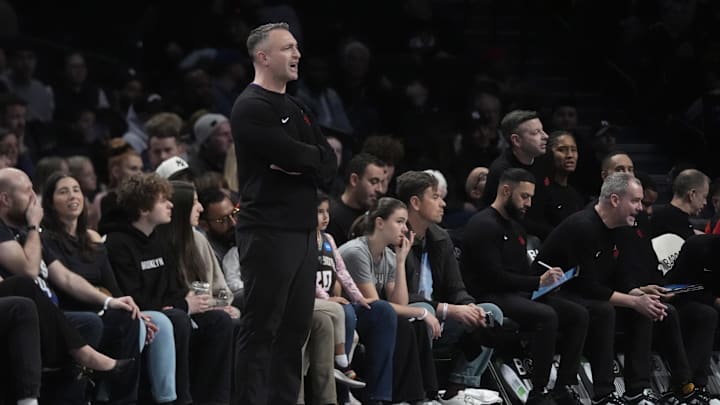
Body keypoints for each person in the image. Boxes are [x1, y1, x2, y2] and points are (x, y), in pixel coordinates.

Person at [230, 22, 337, 404]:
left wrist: (303, 160)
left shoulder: (298, 106)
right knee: (262, 329)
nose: (297, 55)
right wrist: (304, 158)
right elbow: (294, 155)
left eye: (296, 47)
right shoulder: (250, 106)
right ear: (263, 57)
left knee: (295, 331)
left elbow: (328, 163)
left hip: (304, 231)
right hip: (268, 231)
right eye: (288, 48)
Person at [41, 172, 178, 404]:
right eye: (63, 191)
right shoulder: (46, 239)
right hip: (67, 312)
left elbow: (112, 285)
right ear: (50, 203)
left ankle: (129, 399)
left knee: (131, 319)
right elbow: (64, 280)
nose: (72, 195)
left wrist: (132, 309)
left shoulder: (92, 238)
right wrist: (109, 302)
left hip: (100, 308)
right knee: (110, 320)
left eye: (76, 189)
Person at [532, 173, 668, 405]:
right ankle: (603, 393)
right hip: (552, 292)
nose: (640, 208)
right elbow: (586, 285)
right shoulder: (582, 226)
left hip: (587, 292)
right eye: (635, 201)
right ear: (615, 200)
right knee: (605, 311)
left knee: (645, 309)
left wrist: (639, 296)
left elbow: (621, 276)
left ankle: (637, 390)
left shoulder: (621, 228)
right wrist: (633, 301)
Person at [459, 168, 587, 405]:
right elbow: (493, 277)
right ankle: (539, 392)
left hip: (516, 293)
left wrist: (547, 284)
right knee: (546, 315)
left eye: (531, 197)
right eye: (524, 196)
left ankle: (563, 386)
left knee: (578, 314)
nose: (528, 203)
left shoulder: (517, 227)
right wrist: (537, 282)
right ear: (506, 191)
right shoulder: (483, 225)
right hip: (489, 295)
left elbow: (520, 274)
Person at [105, 173, 231, 405]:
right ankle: (180, 400)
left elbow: (176, 286)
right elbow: (132, 295)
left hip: (172, 309)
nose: (170, 204)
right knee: (177, 319)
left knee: (219, 322)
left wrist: (186, 303)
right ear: (144, 209)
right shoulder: (117, 244)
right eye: (163, 200)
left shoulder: (159, 240)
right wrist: (182, 305)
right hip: (146, 316)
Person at [395, 170, 504, 402]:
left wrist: (470, 307)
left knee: (491, 313)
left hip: (441, 319)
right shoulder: (396, 239)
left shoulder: (441, 237)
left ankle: (459, 388)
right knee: (425, 312)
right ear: (415, 203)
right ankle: (421, 394)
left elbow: (456, 288)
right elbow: (404, 299)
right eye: (435, 197)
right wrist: (450, 309)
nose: (443, 203)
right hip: (407, 320)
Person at [341, 197, 439, 404]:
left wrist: (401, 260)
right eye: (399, 221)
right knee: (401, 321)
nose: (405, 228)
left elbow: (400, 303)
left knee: (416, 325)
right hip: (348, 314)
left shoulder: (388, 255)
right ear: (379, 223)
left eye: (405, 223)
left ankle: (423, 395)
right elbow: (375, 305)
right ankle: (385, 397)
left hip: (371, 314)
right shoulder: (356, 252)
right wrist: (422, 312)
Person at [481, 110, 551, 239]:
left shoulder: (544, 161)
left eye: (542, 130)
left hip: (542, 231)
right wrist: (552, 233)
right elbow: (512, 218)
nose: (545, 136)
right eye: (536, 133)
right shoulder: (502, 171)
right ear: (517, 140)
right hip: (509, 234)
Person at [328, 152, 386, 245]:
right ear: (354, 180)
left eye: (381, 183)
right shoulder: (330, 217)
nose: (380, 189)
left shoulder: (376, 217)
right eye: (373, 182)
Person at [650, 169, 709, 239]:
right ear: (692, 194)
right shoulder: (678, 225)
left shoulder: (661, 216)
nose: (705, 202)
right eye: (704, 196)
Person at [542, 131, 585, 227]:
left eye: (573, 150)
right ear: (549, 153)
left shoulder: (575, 195)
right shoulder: (540, 189)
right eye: (562, 150)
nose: (570, 155)